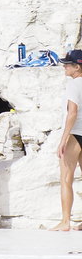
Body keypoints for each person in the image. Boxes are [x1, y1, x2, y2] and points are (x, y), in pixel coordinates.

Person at [52, 50, 82, 231]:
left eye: (68, 64)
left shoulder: (74, 85)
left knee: (66, 178)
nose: (65, 67)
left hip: (76, 133)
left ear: (77, 67)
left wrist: (63, 139)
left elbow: (72, 112)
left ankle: (65, 221)